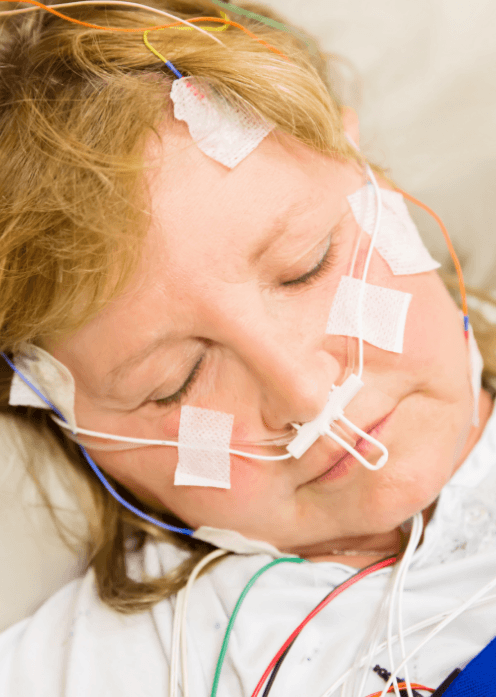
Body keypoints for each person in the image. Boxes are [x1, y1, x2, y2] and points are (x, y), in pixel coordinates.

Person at [0, 1, 496, 695]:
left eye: (308, 263)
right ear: (63, 417)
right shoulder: (125, 663)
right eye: (176, 381)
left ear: (367, 169)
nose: (308, 394)